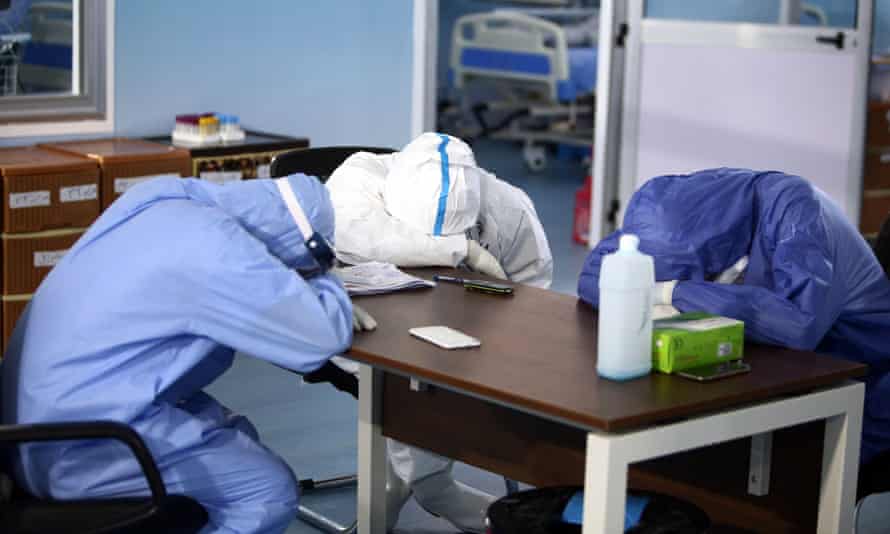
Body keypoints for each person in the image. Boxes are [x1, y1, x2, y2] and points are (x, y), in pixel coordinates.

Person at [0, 175, 355, 534]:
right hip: (76, 447)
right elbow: (319, 338)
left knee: (238, 435)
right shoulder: (217, 248)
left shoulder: (162, 199)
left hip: (34, 418)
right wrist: (329, 278)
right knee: (267, 491)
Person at [578, 168, 890, 469]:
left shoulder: (798, 213)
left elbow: (797, 323)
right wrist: (649, 286)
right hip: (773, 373)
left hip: (860, 385)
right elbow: (593, 276)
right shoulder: (664, 206)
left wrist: (672, 292)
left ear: (717, 248)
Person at [326, 132, 553, 533]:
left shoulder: (508, 207)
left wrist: (506, 330)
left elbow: (535, 289)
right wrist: (463, 252)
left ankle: (418, 487)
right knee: (407, 388)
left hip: (463, 333)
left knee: (444, 387)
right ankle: (425, 487)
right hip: (361, 321)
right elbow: (359, 236)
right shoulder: (360, 176)